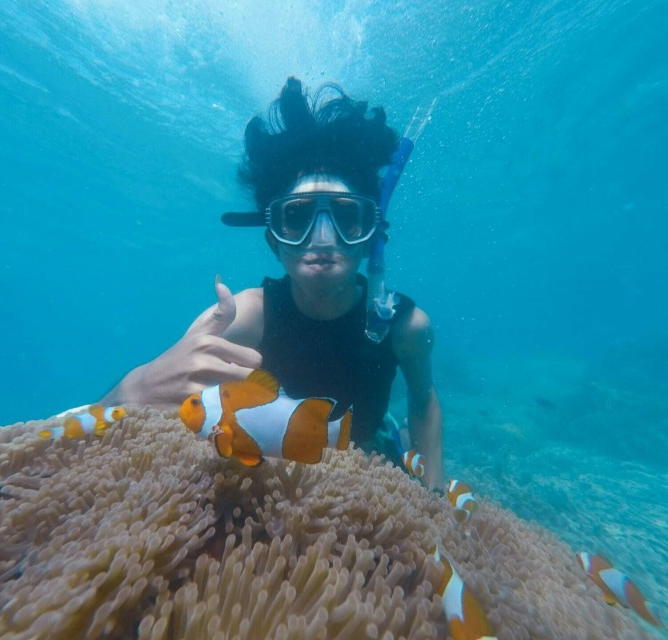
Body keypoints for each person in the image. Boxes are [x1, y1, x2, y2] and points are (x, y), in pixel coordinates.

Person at [102, 77, 444, 490]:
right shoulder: (245, 316)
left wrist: (435, 492)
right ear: (272, 240)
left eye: (346, 217)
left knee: (386, 439)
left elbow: (423, 403)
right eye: (297, 218)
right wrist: (131, 390)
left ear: (371, 234)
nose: (322, 238)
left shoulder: (406, 327)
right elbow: (170, 395)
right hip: (267, 456)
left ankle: (390, 434)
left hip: (366, 448)